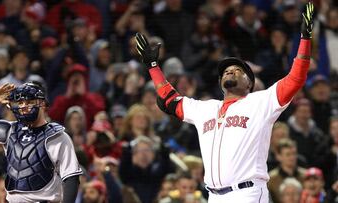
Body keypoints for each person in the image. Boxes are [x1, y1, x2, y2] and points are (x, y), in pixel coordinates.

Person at [134, 1, 315, 202]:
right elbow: (170, 100)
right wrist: (152, 66)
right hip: (214, 195)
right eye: (227, 70)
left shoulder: (261, 102)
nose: (231, 71)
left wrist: (305, 38)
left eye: (239, 70)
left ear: (249, 84)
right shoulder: (205, 108)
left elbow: (296, 78)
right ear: (221, 84)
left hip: (247, 193)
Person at [0, 82, 82, 203]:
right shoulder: (10, 130)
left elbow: (71, 177)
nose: (24, 106)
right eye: (20, 102)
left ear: (42, 103)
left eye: (29, 101)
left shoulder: (57, 136)